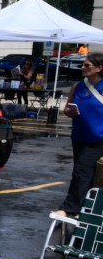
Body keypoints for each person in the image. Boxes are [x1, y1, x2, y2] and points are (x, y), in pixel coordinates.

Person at [55, 52, 103, 218]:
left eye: (87, 65)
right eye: (83, 64)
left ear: (99, 68)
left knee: (81, 171)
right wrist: (69, 111)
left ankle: (69, 208)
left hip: (98, 139)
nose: (83, 67)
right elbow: (66, 109)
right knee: (87, 174)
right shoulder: (77, 86)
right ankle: (86, 208)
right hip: (79, 136)